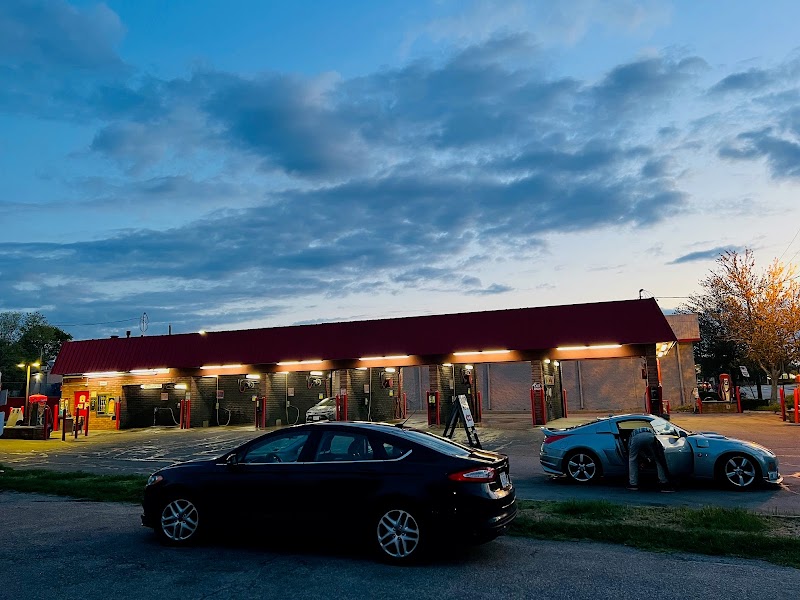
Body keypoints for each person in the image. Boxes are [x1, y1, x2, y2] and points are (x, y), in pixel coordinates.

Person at [627, 424, 674, 492]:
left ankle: (633, 484)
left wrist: (643, 459)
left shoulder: (631, 435)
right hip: (651, 436)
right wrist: (648, 458)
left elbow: (631, 450)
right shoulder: (651, 429)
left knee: (632, 459)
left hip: (636, 437)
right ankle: (664, 482)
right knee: (658, 459)